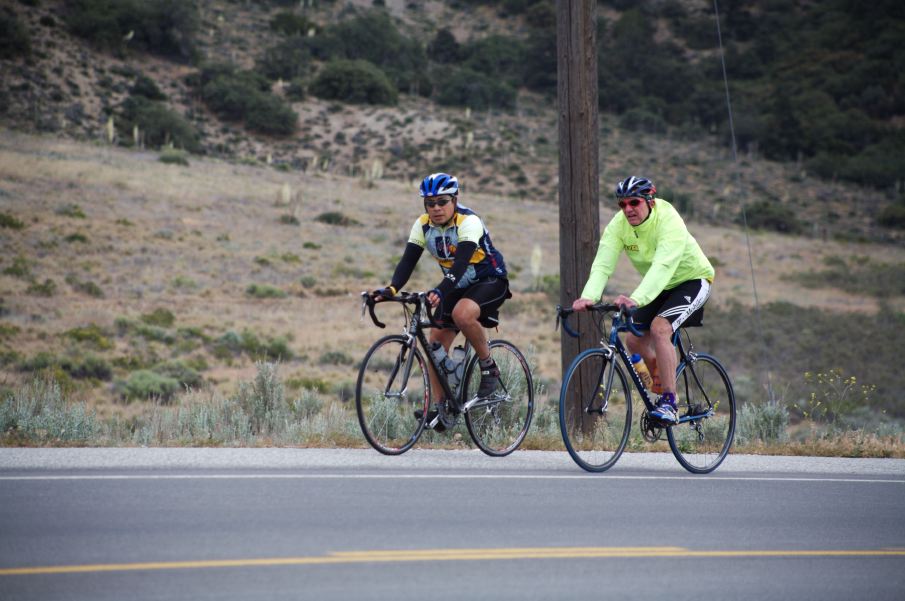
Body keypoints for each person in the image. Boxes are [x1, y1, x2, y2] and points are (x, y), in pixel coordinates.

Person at [371, 172, 510, 431]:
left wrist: (440, 290)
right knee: (434, 342)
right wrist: (391, 288)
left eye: (442, 201)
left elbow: (461, 263)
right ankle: (442, 408)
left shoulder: (469, 221)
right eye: (430, 203)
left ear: (455, 200)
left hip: (490, 279)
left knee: (462, 314)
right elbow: (407, 261)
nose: (436, 208)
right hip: (455, 285)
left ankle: (489, 367)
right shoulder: (423, 225)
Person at [571, 176, 714, 424]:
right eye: (622, 204)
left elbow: (663, 266)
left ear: (650, 201)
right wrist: (588, 296)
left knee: (660, 329)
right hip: (659, 286)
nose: (628, 209)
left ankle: (670, 403)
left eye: (634, 203)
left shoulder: (668, 219)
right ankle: (658, 372)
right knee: (633, 340)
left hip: (692, 280)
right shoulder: (619, 225)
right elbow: (603, 264)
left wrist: (636, 298)